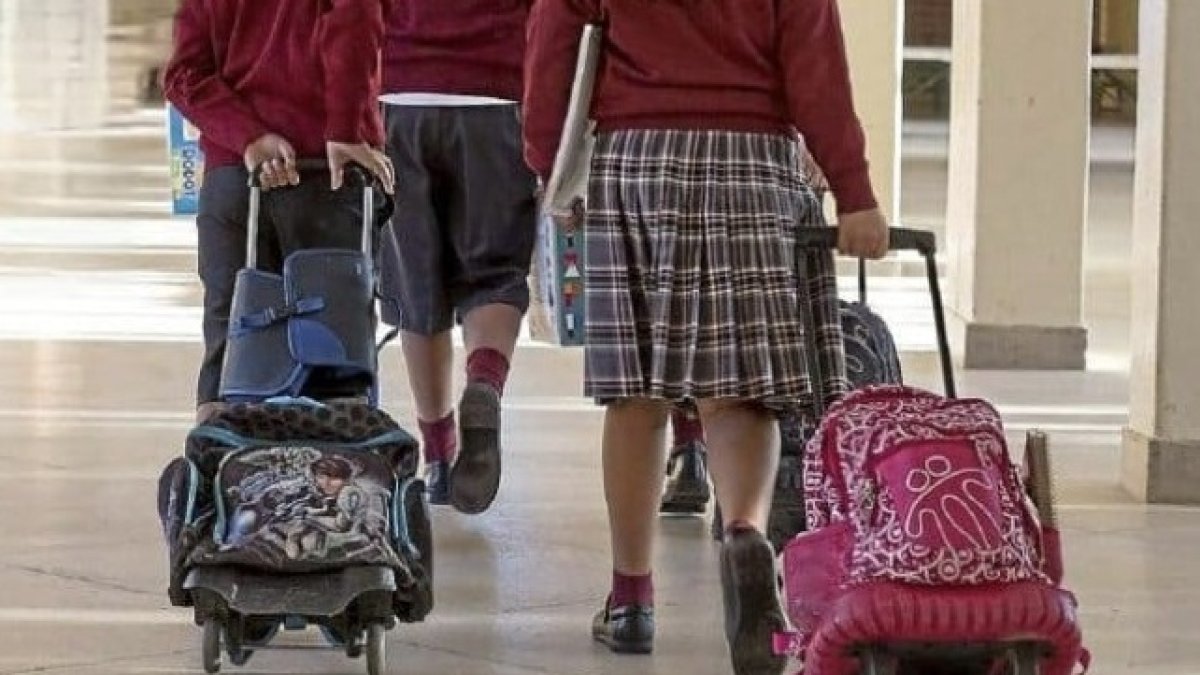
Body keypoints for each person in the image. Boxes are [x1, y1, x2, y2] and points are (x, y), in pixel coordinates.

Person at [523, 2, 889, 673]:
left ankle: (631, 598)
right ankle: (745, 535)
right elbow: (817, 66)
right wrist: (854, 190)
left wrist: (551, 160)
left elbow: (553, 42)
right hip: (753, 164)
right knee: (741, 394)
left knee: (636, 395)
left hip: (635, 162)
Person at [163, 0, 395, 422]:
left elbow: (183, 75)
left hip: (236, 179)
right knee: (335, 350)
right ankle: (336, 467)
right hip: (328, 175)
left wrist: (250, 138)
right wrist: (344, 127)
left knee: (232, 340)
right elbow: (355, 20)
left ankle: (221, 461)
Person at [377, 1, 538, 513]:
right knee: (495, 272)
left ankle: (439, 456)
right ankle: (484, 383)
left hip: (399, 92)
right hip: (498, 92)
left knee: (414, 285)